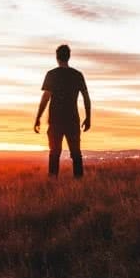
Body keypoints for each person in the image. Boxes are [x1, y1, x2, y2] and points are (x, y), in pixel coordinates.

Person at [34, 44, 91, 178]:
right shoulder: (77, 75)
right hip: (72, 119)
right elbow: (86, 98)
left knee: (54, 153)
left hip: (55, 120)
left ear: (57, 57)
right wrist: (88, 118)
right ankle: (79, 183)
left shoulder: (52, 74)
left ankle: (52, 182)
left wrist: (38, 117)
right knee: (76, 153)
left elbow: (45, 98)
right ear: (69, 57)